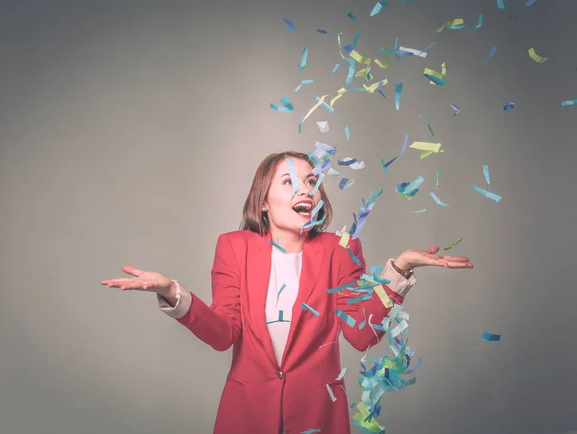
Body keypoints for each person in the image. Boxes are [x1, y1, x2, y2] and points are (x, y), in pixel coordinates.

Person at [100, 151, 473, 434]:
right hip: (245, 412)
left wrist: (399, 270)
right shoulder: (234, 246)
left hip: (319, 416)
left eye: (311, 182)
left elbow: (360, 334)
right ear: (263, 202)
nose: (305, 190)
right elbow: (223, 333)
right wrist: (173, 292)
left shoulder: (341, 248)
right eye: (289, 182)